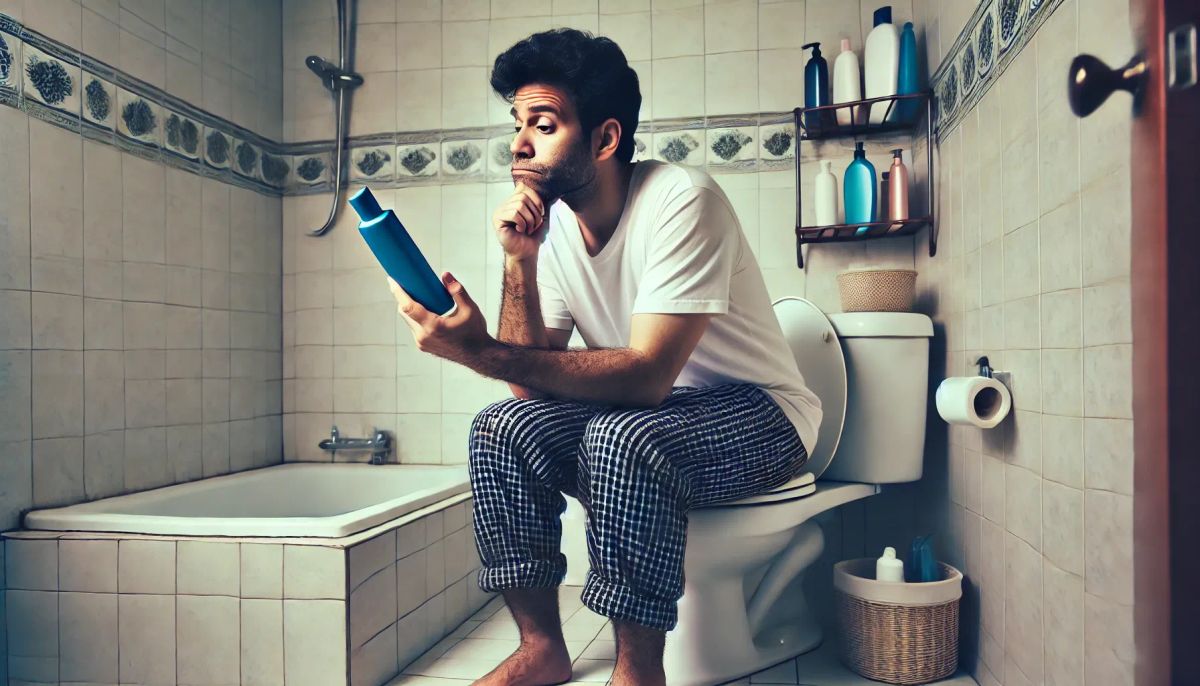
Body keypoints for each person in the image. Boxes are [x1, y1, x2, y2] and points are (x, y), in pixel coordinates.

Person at [387, 28, 822, 686]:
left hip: (765, 415)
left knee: (621, 436)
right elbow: (527, 395)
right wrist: (519, 262)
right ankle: (541, 648)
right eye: (518, 123)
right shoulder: (553, 228)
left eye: (544, 123)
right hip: (664, 418)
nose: (520, 143)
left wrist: (479, 351)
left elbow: (646, 377)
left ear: (605, 138)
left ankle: (639, 671)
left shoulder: (682, 199)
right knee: (499, 430)